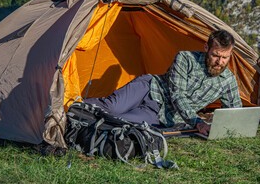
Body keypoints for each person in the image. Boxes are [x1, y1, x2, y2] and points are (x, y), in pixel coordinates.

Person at [85, 30, 242, 135]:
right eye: (215, 55)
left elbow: (237, 114)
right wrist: (198, 123)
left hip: (161, 115)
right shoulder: (185, 58)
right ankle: (68, 107)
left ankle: (82, 123)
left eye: (225, 57)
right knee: (111, 107)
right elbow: (178, 95)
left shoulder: (227, 80)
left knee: (118, 121)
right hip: (149, 88)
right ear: (206, 47)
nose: (220, 62)